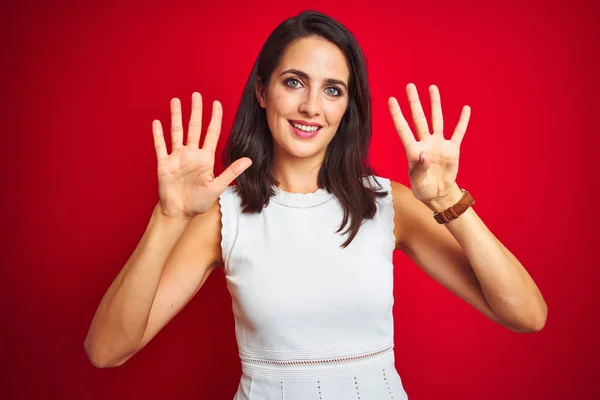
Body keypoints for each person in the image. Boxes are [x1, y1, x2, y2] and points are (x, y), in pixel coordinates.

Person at [84, 10, 548, 399]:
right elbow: (106, 351)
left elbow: (527, 315)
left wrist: (449, 198)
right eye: (293, 82)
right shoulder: (222, 215)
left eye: (332, 89)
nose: (311, 106)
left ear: (348, 106)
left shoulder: (388, 205)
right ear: (263, 92)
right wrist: (167, 219)